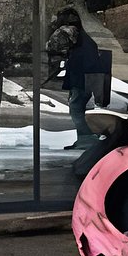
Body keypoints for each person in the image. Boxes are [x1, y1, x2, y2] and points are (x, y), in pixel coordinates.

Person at [46, 8, 102, 150]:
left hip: (82, 77)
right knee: (77, 108)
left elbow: (53, 44)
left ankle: (87, 138)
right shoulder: (82, 38)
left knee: (76, 109)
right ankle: (83, 138)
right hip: (84, 77)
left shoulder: (71, 32)